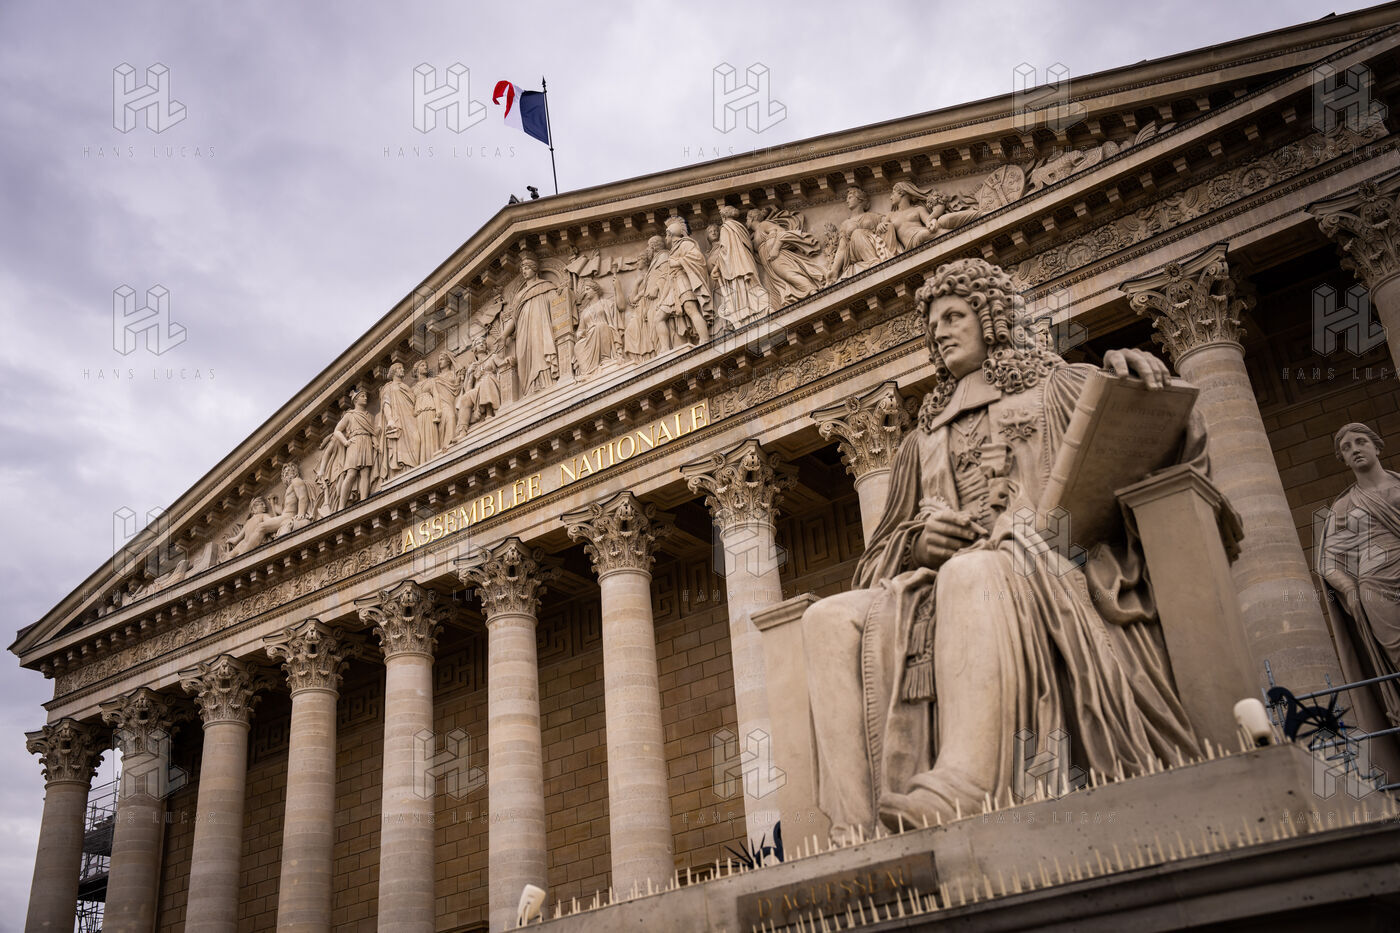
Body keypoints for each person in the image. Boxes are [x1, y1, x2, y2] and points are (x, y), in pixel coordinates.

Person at [803, 258, 1202, 839]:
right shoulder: (921, 441)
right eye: (933, 325)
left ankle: (968, 781)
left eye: (953, 316)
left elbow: (1165, 446)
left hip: (1052, 563)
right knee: (826, 619)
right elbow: (877, 559)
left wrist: (1140, 381)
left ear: (991, 319)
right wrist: (918, 544)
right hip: (938, 584)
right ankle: (855, 828)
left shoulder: (1060, 388)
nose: (940, 333)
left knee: (971, 571)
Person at [1317, 422, 1400, 725]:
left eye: (1360, 441)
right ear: (1343, 459)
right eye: (1346, 448)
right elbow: (1328, 563)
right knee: (1397, 652)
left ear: (1376, 446)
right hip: (1375, 586)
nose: (1355, 449)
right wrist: (1349, 589)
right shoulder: (1343, 506)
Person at [501, 253, 561, 396]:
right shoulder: (519, 296)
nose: (524, 271)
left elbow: (557, 304)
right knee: (525, 356)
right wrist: (504, 335)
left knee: (540, 350)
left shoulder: (546, 286)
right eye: (522, 269)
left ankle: (546, 382)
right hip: (523, 331)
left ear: (535, 269)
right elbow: (514, 318)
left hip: (541, 325)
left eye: (527, 268)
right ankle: (531, 388)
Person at [663, 217, 714, 344]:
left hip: (684, 282)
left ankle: (705, 339)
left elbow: (697, 257)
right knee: (689, 310)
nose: (665, 238)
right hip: (677, 283)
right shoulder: (675, 248)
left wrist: (677, 262)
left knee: (691, 309)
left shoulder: (685, 244)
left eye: (666, 234)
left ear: (670, 234)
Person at [827, 185, 890, 282]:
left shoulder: (872, 216)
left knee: (857, 233)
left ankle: (875, 262)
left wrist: (882, 224)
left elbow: (889, 221)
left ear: (859, 199)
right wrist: (834, 270)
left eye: (850, 197)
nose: (847, 201)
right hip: (855, 254)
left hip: (873, 245)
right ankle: (873, 263)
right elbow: (842, 248)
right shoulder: (845, 224)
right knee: (857, 233)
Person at [572, 278, 620, 377]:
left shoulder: (605, 303)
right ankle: (588, 371)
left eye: (587, 289)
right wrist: (581, 333)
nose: (585, 292)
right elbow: (580, 330)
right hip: (589, 336)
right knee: (577, 346)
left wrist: (618, 287)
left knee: (600, 326)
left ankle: (605, 358)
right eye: (585, 290)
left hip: (604, 331)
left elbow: (621, 306)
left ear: (595, 290)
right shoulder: (585, 311)